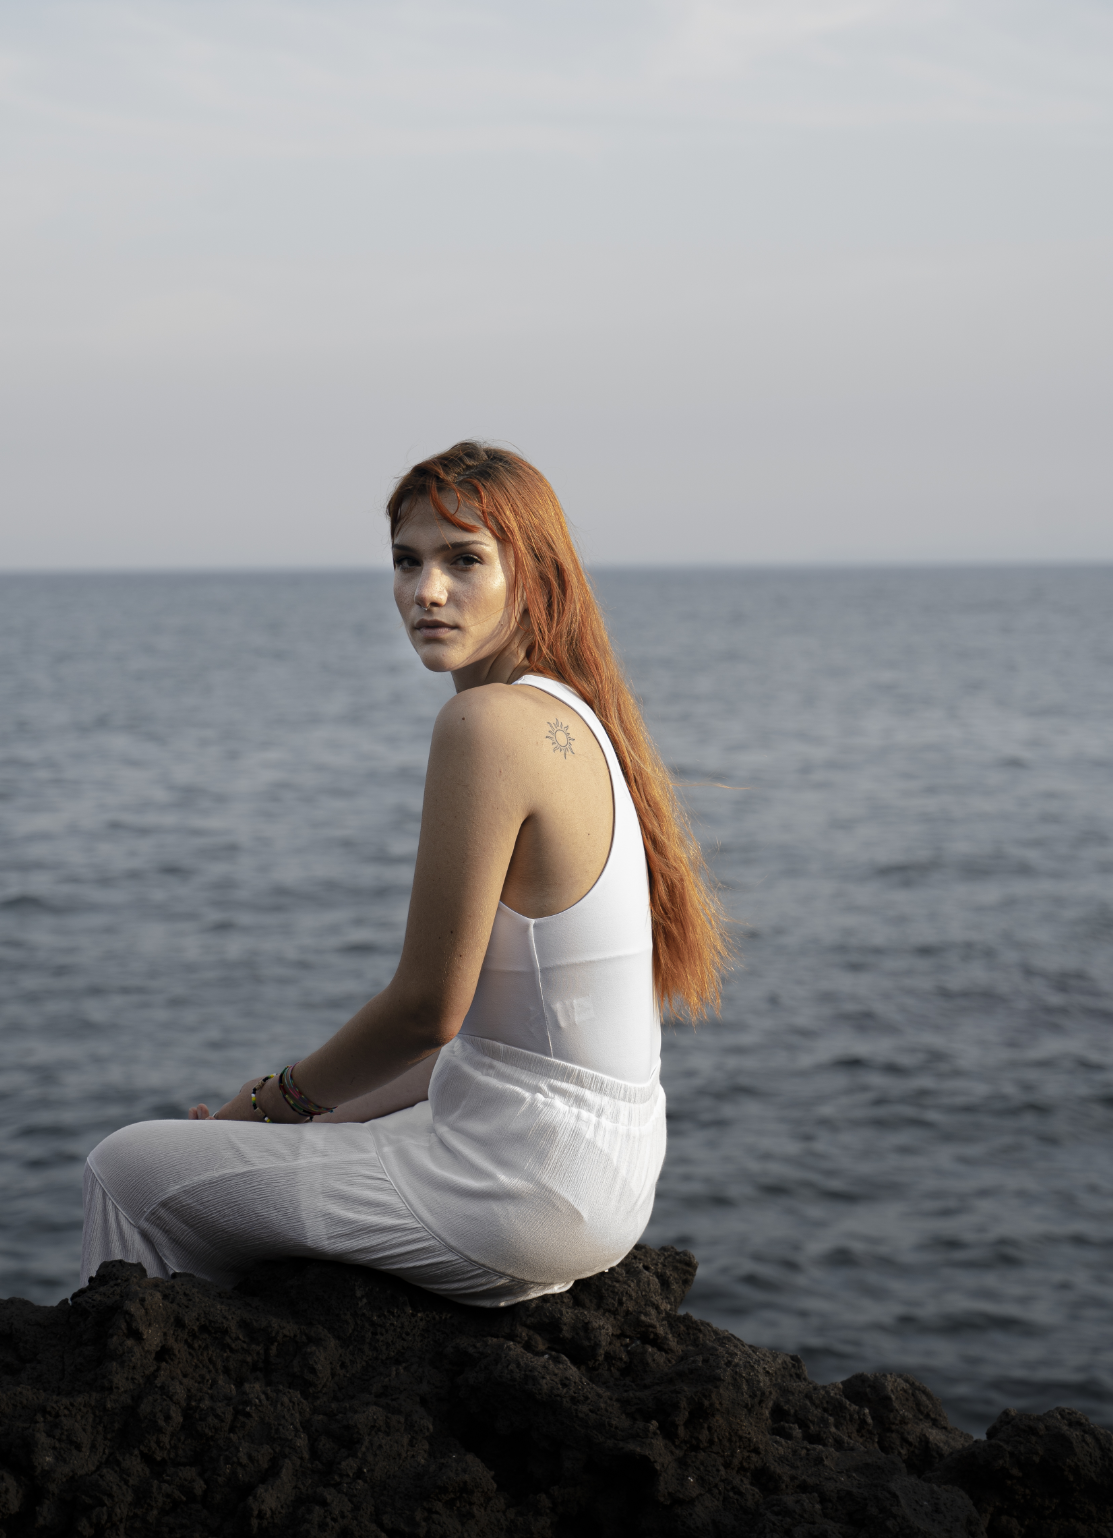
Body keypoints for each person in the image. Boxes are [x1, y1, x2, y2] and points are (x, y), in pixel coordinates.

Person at [80, 441, 728, 1307]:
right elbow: (495, 1043)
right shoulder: (575, 716)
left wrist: (266, 1108)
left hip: (517, 1190)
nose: (426, 591)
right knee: (211, 1161)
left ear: (531, 574)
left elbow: (428, 1012)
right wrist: (296, 1125)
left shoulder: (488, 725)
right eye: (406, 561)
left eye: (463, 561)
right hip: (600, 1178)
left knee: (125, 1168)